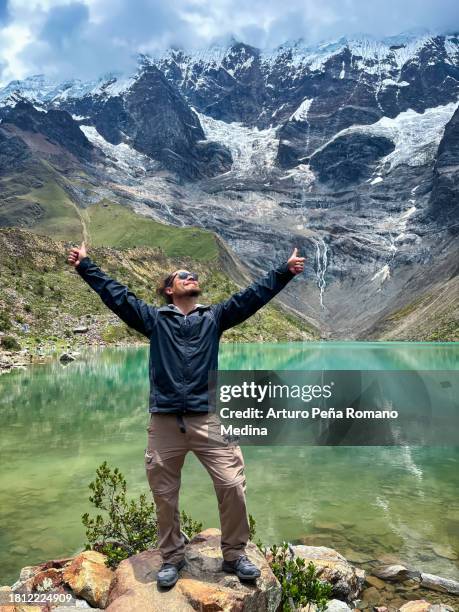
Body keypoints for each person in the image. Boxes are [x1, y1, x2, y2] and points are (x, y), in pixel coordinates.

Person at [67, 241, 305, 588]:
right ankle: (172, 558)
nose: (190, 277)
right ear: (169, 289)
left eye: (193, 275)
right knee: (164, 495)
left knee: (232, 484)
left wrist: (284, 272)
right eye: (183, 276)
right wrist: (86, 266)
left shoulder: (215, 317)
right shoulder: (154, 320)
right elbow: (116, 295)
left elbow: (253, 296)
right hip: (164, 421)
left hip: (208, 417)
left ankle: (235, 554)